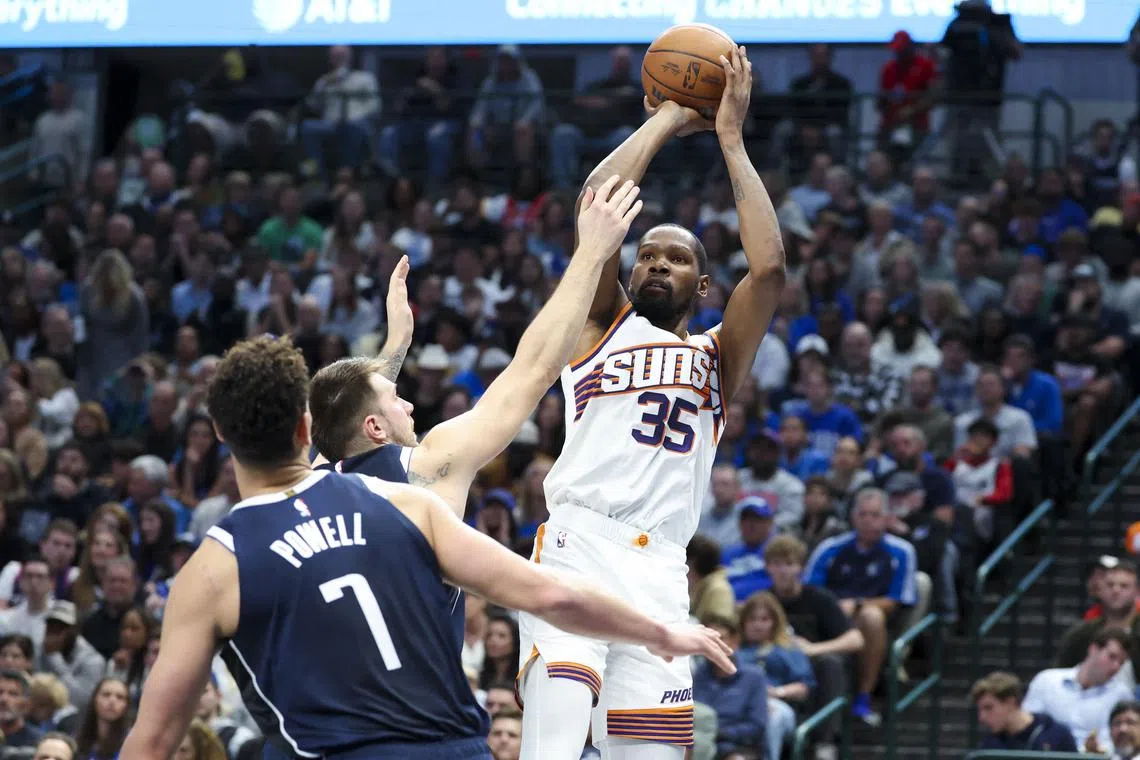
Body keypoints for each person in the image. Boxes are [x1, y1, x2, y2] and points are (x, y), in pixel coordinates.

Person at [120, 336, 733, 760]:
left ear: (220, 434)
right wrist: (661, 632)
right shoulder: (407, 502)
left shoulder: (213, 569)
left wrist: (389, 353)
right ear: (304, 431)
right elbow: (548, 592)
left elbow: (151, 743)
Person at [517, 47, 785, 759]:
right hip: (578, 548)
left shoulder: (716, 356)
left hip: (663, 572)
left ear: (703, 288)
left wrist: (730, 139)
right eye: (647, 255)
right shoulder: (599, 325)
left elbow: (771, 269)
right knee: (553, 746)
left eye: (677, 258)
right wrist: (667, 117)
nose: (656, 262)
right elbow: (597, 208)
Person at [805, 489, 917, 725]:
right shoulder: (830, 548)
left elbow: (895, 601)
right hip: (831, 617)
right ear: (853, 518)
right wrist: (836, 610)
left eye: (875, 515)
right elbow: (810, 594)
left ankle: (864, 697)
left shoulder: (902, 551)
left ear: (887, 519)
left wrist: (855, 605)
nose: (868, 520)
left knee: (872, 616)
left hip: (877, 621)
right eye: (863, 514)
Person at [1023, 629, 1134, 750]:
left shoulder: (1122, 695)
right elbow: (1027, 726)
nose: (1115, 666)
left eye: (1121, 663)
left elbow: (1117, 743)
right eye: (1112, 657)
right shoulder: (1046, 681)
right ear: (1093, 649)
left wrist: (1099, 748)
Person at [972, 671, 1076, 752]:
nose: (982, 717)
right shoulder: (990, 746)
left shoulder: (1056, 735)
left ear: (1010, 702)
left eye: (988, 708)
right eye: (980, 710)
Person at [0, 670, 42, 753]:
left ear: (26, 702)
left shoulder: (38, 742)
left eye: (13, 694)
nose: (3, 699)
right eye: (0, 692)